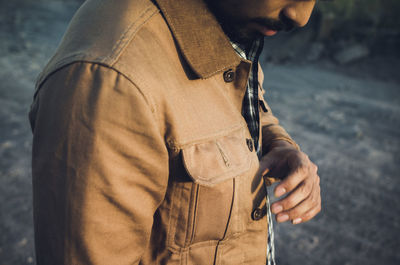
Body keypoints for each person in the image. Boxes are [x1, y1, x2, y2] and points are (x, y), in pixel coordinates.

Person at [29, 0, 321, 264]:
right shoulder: (111, 81)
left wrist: (278, 144)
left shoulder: (219, 22)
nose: (301, 16)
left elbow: (235, 99)